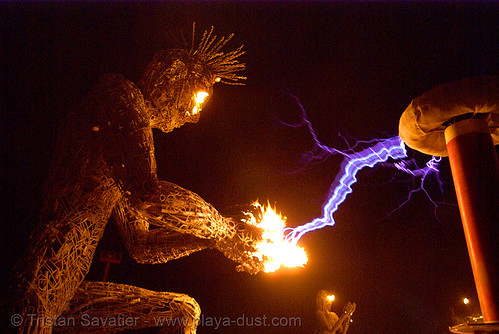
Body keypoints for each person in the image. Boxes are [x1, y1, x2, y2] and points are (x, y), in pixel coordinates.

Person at [11, 26, 263, 334]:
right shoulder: (121, 96)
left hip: (66, 294)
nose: (193, 114)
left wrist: (211, 240)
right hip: (36, 289)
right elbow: (149, 196)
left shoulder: (118, 166)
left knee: (183, 311)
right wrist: (223, 229)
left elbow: (142, 245)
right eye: (197, 98)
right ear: (170, 79)